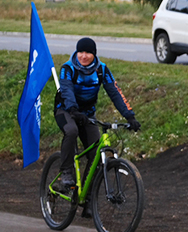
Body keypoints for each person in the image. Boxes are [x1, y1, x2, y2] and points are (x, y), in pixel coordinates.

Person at [55, 37, 140, 188]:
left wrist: (130, 116)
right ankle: (66, 171)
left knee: (96, 155)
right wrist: (73, 109)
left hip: (87, 114)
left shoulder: (101, 70)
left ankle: (88, 200)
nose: (83, 56)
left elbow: (115, 92)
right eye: (80, 51)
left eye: (88, 52)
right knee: (72, 131)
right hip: (66, 110)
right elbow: (67, 90)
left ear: (94, 54)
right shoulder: (67, 68)